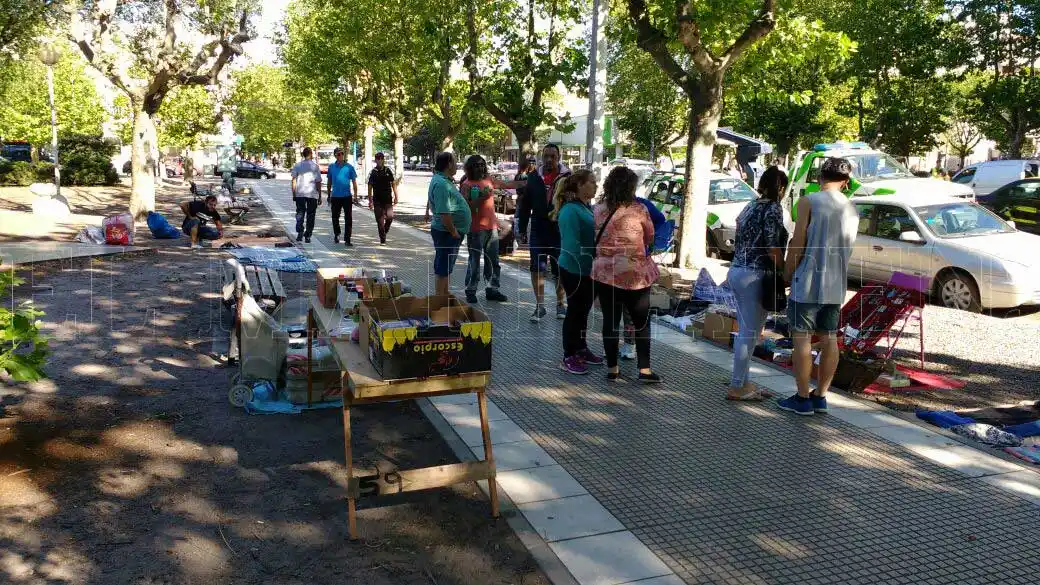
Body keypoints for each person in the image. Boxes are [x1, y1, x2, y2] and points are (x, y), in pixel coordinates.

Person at [778, 157, 860, 416]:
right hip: (836, 284)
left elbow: (798, 242)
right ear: (845, 183)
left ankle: (802, 398)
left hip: (808, 280)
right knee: (830, 338)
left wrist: (787, 273)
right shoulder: (852, 208)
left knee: (801, 337)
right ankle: (821, 396)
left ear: (819, 177)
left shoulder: (809, 202)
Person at [592, 167, 661, 383]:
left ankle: (613, 369)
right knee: (641, 322)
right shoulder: (640, 210)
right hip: (635, 275)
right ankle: (645, 371)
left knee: (610, 322)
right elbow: (649, 238)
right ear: (631, 187)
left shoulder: (598, 209)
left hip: (605, 274)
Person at [726, 166, 790, 401]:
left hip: (737, 270)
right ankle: (736, 385)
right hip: (756, 274)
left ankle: (744, 381)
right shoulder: (773, 209)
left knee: (748, 331)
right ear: (781, 187)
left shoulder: (750, 205)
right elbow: (772, 247)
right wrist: (784, 271)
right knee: (749, 333)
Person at [554, 169, 604, 375]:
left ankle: (581, 347)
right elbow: (571, 244)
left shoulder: (586, 207)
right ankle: (568, 354)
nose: (595, 185)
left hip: (588, 269)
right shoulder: (569, 211)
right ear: (579, 186)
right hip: (574, 269)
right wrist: (594, 254)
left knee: (583, 311)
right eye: (591, 182)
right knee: (574, 312)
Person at [460, 155, 525, 304]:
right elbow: (465, 208)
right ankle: (471, 290)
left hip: (492, 228)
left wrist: (526, 182)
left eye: (482, 165)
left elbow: (506, 184)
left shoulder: (488, 179)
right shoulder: (467, 184)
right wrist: (481, 198)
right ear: (470, 168)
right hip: (475, 230)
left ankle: (492, 289)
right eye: (476, 165)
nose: (480, 167)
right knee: (474, 262)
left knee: (493, 261)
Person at [517, 144, 570, 322]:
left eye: (552, 157)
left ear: (559, 157)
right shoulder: (533, 177)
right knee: (537, 267)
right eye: (546, 156)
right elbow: (525, 205)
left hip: (559, 230)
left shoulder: (568, 178)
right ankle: (540, 307)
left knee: (559, 269)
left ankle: (560, 304)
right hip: (539, 228)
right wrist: (522, 228)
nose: (548, 160)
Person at [618, 194, 668, 360]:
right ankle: (623, 346)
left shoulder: (642, 204)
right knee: (619, 307)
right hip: (618, 263)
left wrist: (650, 243)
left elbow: (660, 221)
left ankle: (628, 344)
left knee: (628, 308)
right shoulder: (610, 204)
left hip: (629, 263)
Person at [429, 152, 471, 296]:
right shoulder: (441, 184)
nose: (457, 165)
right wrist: (453, 232)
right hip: (446, 232)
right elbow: (444, 212)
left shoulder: (444, 180)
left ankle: (443, 295)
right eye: (454, 162)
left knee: (445, 267)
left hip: (447, 232)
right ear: (448, 164)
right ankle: (440, 298)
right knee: (443, 267)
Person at [327, 147, 358, 246]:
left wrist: (355, 195)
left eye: (342, 154)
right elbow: (329, 181)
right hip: (335, 196)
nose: (340, 156)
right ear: (335, 156)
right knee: (335, 217)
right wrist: (328, 194)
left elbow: (354, 182)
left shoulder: (349, 167)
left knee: (348, 218)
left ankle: (347, 239)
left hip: (347, 196)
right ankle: (337, 233)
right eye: (338, 154)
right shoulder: (331, 167)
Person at [290, 147, 322, 243]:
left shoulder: (298, 165)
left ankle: (300, 232)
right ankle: (308, 235)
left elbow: (293, 180)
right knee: (311, 215)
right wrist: (319, 195)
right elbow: (318, 182)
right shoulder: (315, 167)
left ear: (303, 155)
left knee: (300, 213)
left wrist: (294, 193)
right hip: (312, 194)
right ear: (311, 154)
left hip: (300, 194)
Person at [368, 152, 399, 244]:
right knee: (380, 221)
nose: (380, 160)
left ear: (383, 160)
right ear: (375, 160)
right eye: (378, 159)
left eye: (381, 158)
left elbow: (393, 184)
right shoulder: (373, 172)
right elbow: (369, 187)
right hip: (377, 200)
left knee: (390, 217)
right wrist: (370, 201)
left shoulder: (388, 170)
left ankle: (385, 230)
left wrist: (396, 196)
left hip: (388, 200)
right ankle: (382, 238)